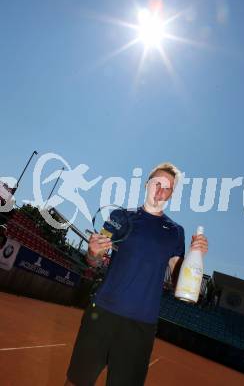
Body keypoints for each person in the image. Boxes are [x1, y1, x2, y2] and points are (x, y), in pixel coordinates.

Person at [65, 162, 208, 386]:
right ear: (146, 184)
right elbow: (93, 260)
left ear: (171, 194)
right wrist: (93, 252)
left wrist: (195, 255)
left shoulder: (175, 232)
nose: (161, 190)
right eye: (157, 183)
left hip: (141, 328)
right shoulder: (119, 216)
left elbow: (176, 277)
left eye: (168, 187)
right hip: (101, 314)